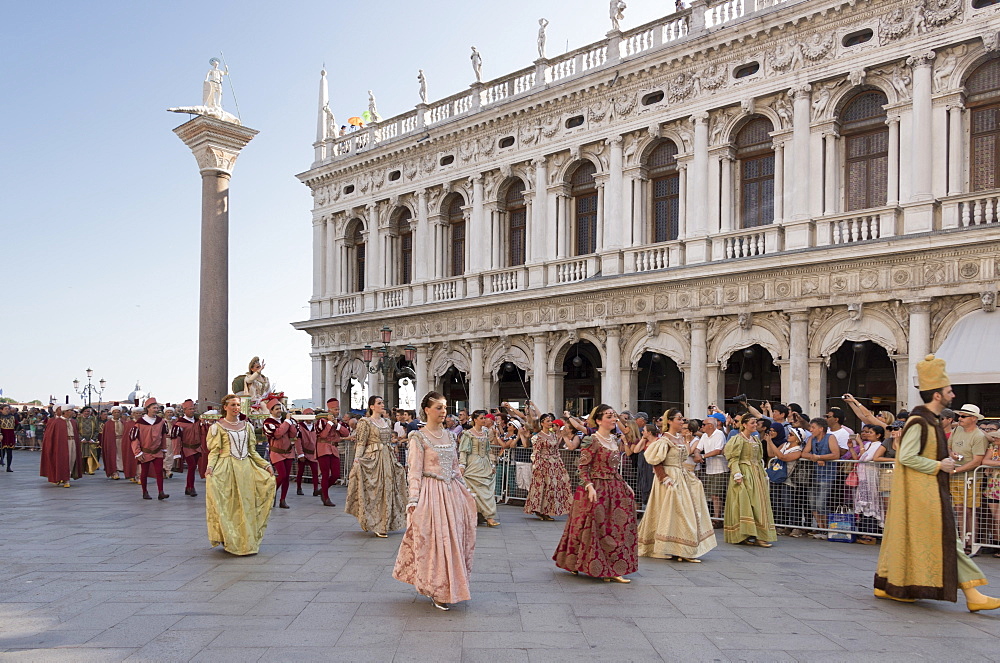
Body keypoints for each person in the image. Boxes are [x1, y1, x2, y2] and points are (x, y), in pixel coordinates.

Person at [874, 354, 1000, 611]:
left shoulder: (927, 421)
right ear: (937, 396)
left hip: (926, 493)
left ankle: (887, 582)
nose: (952, 395)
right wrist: (938, 465)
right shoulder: (920, 421)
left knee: (915, 538)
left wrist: (944, 457)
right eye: (948, 391)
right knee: (948, 541)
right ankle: (973, 595)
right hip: (924, 495)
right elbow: (906, 457)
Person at [393, 391, 477, 611]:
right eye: (439, 407)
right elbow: (414, 471)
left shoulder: (450, 436)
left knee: (454, 540)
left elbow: (455, 467)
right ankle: (437, 588)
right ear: (427, 410)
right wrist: (413, 499)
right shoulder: (418, 437)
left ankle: (451, 586)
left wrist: (466, 490)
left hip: (452, 493)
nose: (443, 412)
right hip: (431, 493)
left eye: (445, 407)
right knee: (435, 542)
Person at [553, 404, 638, 583]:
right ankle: (580, 563)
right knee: (590, 527)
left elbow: (614, 469)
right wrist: (589, 486)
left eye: (614, 416)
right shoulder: (592, 440)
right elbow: (583, 467)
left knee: (616, 527)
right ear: (599, 420)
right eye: (609, 416)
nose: (614, 419)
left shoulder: (615, 441)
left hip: (614, 488)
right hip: (596, 488)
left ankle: (612, 567)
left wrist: (624, 484)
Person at [638, 409, 717, 562]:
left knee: (683, 513)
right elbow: (655, 461)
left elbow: (684, 458)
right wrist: (664, 478)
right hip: (669, 480)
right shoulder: (664, 440)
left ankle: (682, 548)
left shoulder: (680, 438)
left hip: (681, 476)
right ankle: (669, 548)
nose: (682, 422)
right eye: (679, 419)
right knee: (672, 513)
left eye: (682, 419)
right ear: (670, 421)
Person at [205, 393, 276, 556]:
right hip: (227, 467)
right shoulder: (217, 427)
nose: (236, 408)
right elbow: (215, 451)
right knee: (229, 505)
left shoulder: (247, 426)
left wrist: (265, 464)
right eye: (232, 405)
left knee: (246, 504)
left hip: (246, 469)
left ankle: (247, 539)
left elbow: (252, 451)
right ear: (225, 407)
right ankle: (230, 538)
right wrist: (210, 467)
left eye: (238, 405)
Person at [345, 395, 407, 537]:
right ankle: (376, 523)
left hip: (388, 457)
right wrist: (357, 459)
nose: (382, 405)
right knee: (376, 490)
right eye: (379, 403)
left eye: (382, 403)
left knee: (389, 489)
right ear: (372, 406)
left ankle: (386, 522)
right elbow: (361, 442)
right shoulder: (365, 422)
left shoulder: (386, 421)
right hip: (374, 458)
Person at [723, 414, 776, 547]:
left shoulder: (755, 439)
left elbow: (758, 459)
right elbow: (733, 459)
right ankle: (744, 534)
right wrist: (737, 474)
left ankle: (759, 534)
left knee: (758, 504)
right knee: (744, 504)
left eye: (755, 423)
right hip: (744, 472)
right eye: (752, 423)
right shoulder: (737, 439)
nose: (755, 425)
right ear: (744, 424)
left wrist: (763, 473)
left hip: (756, 473)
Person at [524, 413, 577, 522]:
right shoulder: (537, 437)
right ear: (542, 423)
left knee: (552, 488)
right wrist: (537, 465)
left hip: (554, 464)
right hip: (543, 464)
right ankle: (540, 510)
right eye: (547, 421)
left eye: (551, 421)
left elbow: (556, 450)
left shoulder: (553, 435)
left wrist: (559, 463)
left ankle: (548, 510)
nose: (550, 423)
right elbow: (536, 452)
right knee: (543, 487)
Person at [949, 403, 988, 551]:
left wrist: (955, 471)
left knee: (969, 510)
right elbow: (949, 446)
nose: (960, 418)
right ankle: (962, 540)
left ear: (973, 418)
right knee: (959, 509)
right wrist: (951, 454)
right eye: (959, 415)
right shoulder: (957, 429)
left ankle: (971, 542)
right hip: (957, 476)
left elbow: (977, 461)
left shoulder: (979, 436)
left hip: (971, 478)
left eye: (964, 416)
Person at [459, 410, 501, 527]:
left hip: (484, 463)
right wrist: (462, 465)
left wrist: (491, 464)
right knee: (474, 492)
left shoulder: (485, 432)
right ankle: (484, 516)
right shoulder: (468, 434)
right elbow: (463, 451)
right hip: (473, 463)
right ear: (475, 420)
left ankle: (485, 515)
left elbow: (488, 450)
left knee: (487, 491)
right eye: (482, 418)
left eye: (485, 418)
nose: (484, 420)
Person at [851, 424, 888, 544]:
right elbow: (858, 458)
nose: (867, 434)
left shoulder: (878, 445)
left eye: (870, 432)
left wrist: (860, 445)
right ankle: (864, 533)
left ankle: (871, 535)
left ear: (878, 435)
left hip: (871, 476)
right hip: (862, 477)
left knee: (871, 503)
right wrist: (852, 448)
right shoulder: (868, 444)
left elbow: (866, 458)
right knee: (863, 504)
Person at [262, 397, 299, 510]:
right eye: (277, 409)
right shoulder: (268, 423)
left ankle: (283, 499)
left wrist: (290, 422)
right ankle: (272, 494)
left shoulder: (285, 421)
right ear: (271, 411)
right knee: (282, 475)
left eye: (280, 408)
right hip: (276, 452)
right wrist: (287, 422)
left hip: (288, 451)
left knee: (286, 477)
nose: (279, 410)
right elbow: (278, 434)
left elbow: (293, 434)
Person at [130, 398, 170, 501]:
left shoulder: (161, 422)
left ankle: (161, 492)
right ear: (148, 409)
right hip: (145, 452)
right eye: (154, 408)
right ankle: (145, 492)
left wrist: (164, 450)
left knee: (159, 472)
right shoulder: (140, 423)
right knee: (144, 472)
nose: (156, 410)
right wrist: (138, 452)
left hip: (157, 451)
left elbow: (163, 436)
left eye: (157, 408)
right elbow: (135, 439)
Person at [695, 413, 728, 526]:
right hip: (709, 468)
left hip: (720, 469)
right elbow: (698, 448)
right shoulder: (704, 436)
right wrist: (697, 454)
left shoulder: (719, 434)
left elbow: (718, 450)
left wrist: (703, 456)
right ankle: (714, 516)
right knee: (711, 495)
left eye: (704, 424)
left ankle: (717, 518)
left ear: (710, 425)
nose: (702, 427)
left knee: (716, 495)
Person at [316, 398, 349, 506]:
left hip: (334, 449)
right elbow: (323, 435)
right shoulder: (321, 421)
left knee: (335, 474)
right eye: (335, 409)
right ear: (329, 410)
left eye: (338, 409)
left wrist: (337, 425)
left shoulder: (338, 422)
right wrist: (330, 423)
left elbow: (346, 433)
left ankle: (322, 490)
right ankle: (325, 497)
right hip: (323, 447)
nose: (337, 411)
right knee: (325, 474)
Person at [40, 404, 83, 487]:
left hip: (72, 442)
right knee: (63, 460)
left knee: (72, 459)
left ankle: (67, 476)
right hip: (62, 444)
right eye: (71, 410)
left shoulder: (73, 422)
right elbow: (51, 435)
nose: (72, 412)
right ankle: (65, 479)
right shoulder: (56, 422)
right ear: (65, 412)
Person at [171, 399, 207, 497]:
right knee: (191, 467)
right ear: (185, 410)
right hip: (187, 448)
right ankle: (191, 487)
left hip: (197, 447)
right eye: (190, 409)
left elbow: (202, 432)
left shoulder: (197, 421)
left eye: (193, 408)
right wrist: (177, 452)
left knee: (193, 467)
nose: (192, 410)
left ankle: (188, 487)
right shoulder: (180, 423)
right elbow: (176, 439)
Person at [100, 406, 134, 481]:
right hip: (112, 442)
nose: (116, 414)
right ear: (112, 413)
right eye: (115, 412)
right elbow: (106, 436)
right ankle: (114, 472)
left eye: (118, 412)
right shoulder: (108, 424)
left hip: (122, 441)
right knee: (113, 456)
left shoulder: (124, 422)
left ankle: (128, 472)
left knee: (123, 456)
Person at [294, 409, 320, 498]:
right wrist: (300, 453)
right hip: (304, 452)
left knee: (315, 471)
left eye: (311, 415)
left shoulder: (316, 426)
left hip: (313, 453)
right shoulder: (300, 427)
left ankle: (316, 489)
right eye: (307, 415)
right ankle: (299, 488)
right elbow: (298, 441)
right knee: (300, 471)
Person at [77, 406, 100, 475]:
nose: (87, 413)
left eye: (88, 411)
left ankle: (90, 469)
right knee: (82, 454)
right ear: (82, 412)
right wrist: (81, 438)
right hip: (81, 440)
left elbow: (97, 430)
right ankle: (81, 469)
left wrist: (93, 439)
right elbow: (76, 430)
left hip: (91, 440)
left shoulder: (94, 419)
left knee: (90, 455)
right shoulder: (78, 420)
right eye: (85, 411)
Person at [0, 405, 17, 470]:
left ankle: (8, 467)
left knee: (10, 451)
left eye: (8, 409)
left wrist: (19, 429)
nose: (7, 410)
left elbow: (17, 424)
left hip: (10, 435)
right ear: (1, 410)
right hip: (2, 435)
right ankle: (1, 460)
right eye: (5, 409)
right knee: (2, 450)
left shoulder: (12, 417)